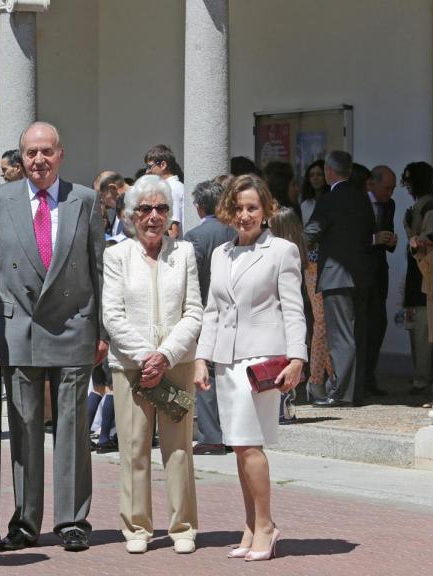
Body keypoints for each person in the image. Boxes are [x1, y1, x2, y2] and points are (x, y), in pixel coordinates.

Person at [0, 121, 106, 553]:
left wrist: (100, 330)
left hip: (73, 324)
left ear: (60, 155)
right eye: (31, 153)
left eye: (46, 152)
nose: (39, 160)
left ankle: (72, 519)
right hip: (21, 330)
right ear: (21, 157)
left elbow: (98, 269)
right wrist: (0, 317)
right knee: (25, 428)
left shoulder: (84, 201)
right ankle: (26, 520)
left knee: (71, 428)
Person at [194, 174, 307, 562]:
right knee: (239, 447)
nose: (245, 215)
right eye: (239, 208)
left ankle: (267, 525)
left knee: (248, 444)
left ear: (266, 210)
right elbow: (212, 311)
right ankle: (250, 524)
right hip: (226, 359)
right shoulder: (220, 253)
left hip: (261, 361)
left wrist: (298, 358)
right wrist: (201, 358)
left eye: (252, 208)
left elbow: (294, 308)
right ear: (228, 210)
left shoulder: (282, 251)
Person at [102, 175, 202, 554]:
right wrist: (147, 356)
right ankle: (137, 528)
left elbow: (194, 312)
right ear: (131, 215)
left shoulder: (185, 253)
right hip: (131, 367)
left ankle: (183, 527)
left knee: (179, 449)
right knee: (134, 447)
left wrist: (166, 356)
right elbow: (112, 315)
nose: (154, 216)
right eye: (146, 209)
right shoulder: (116, 256)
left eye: (161, 209)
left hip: (175, 363)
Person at [303, 151, 377, 408]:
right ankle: (356, 391)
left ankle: (340, 393)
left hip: (336, 275)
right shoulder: (363, 198)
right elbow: (370, 232)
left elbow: (311, 232)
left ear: (329, 172)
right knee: (359, 334)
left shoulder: (329, 199)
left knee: (341, 336)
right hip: (362, 275)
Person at [184, 179, 236, 455]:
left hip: (206, 310)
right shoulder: (238, 231)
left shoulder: (195, 237)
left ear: (198, 207)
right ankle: (231, 432)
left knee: (205, 374)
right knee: (228, 372)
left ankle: (211, 435)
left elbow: (189, 277)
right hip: (236, 310)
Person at [89, 170, 129, 453]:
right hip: (110, 327)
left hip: (96, 325)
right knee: (111, 384)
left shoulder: (95, 251)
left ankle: (86, 434)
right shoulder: (117, 250)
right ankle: (105, 438)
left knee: (99, 385)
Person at [267, 207, 315, 423]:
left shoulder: (282, 253)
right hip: (299, 312)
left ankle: (282, 408)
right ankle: (286, 407)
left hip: (284, 315)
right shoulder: (301, 250)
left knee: (280, 361)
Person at [363, 166, 398, 396]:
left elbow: (389, 234)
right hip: (360, 270)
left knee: (378, 325)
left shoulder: (389, 205)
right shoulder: (358, 202)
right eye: (387, 188)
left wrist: (391, 240)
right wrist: (374, 239)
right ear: (371, 184)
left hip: (378, 272)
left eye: (393, 188)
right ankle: (358, 379)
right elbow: (349, 237)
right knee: (361, 326)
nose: (390, 193)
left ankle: (369, 376)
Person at [401, 162, 433, 399]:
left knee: (422, 330)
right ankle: (420, 376)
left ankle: (422, 378)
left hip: (426, 274)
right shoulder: (420, 204)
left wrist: (415, 241)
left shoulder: (429, 204)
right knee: (416, 328)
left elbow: (428, 240)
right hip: (417, 274)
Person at [144, 144, 185, 239]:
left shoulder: (171, 188)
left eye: (149, 166)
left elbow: (173, 232)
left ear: (163, 165)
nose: (147, 171)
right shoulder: (173, 187)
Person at [299, 159, 328, 226]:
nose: (315, 178)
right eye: (312, 175)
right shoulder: (305, 205)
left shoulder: (332, 201)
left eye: (319, 174)